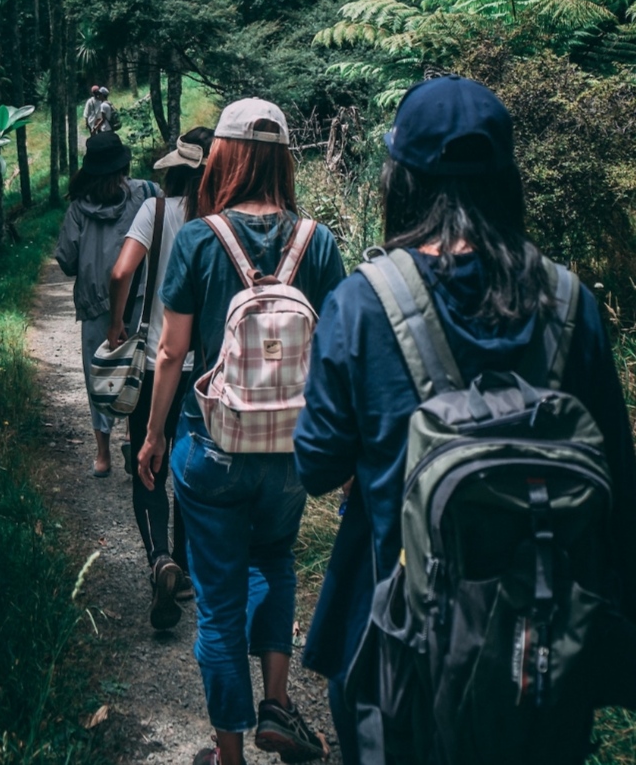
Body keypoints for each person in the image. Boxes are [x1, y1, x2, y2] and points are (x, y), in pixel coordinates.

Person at [293, 75, 636, 763]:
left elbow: (318, 464)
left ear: (400, 180)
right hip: (542, 655)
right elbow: (618, 488)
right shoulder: (573, 305)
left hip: (399, 656)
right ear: (507, 181)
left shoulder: (363, 304)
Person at [137, 98, 345, 765]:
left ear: (221, 156)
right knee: (274, 559)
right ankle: (276, 704)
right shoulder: (318, 241)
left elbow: (171, 352)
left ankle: (229, 756)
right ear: (284, 161)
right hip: (291, 450)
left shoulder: (200, 238)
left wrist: (153, 436)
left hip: (214, 444)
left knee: (219, 605)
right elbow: (337, 352)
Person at [107, 127, 215, 631]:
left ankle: (159, 558)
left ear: (175, 170)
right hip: (207, 371)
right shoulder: (222, 220)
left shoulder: (155, 211)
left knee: (147, 465)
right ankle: (187, 569)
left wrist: (116, 322)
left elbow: (120, 272)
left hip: (155, 363)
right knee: (189, 466)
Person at [55, 132, 160, 478]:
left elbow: (67, 260)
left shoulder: (78, 208)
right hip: (141, 298)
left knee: (98, 374)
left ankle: (103, 455)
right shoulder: (147, 193)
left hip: (96, 303)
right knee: (139, 368)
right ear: (123, 166)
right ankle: (132, 436)